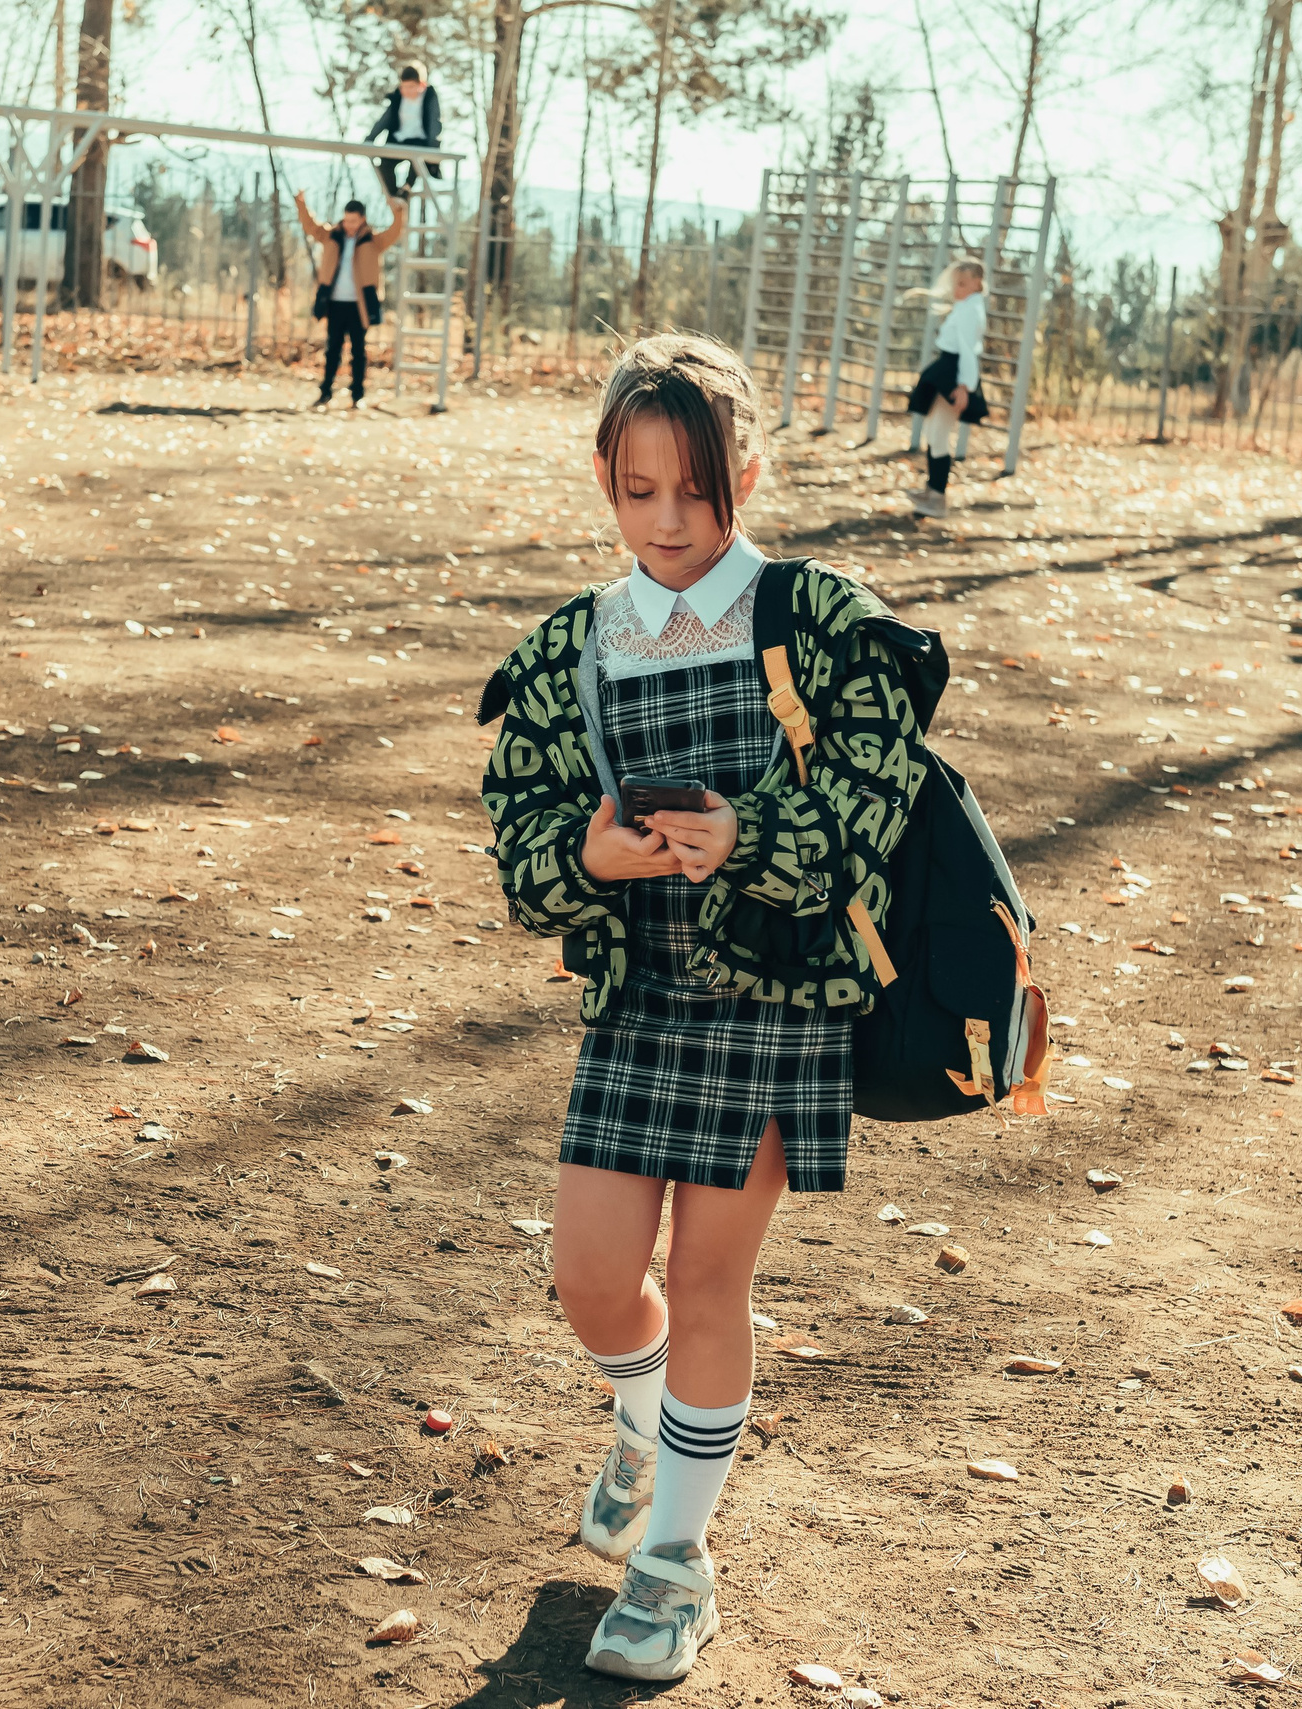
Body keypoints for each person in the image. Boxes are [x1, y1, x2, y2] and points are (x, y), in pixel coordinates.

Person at [476, 333, 934, 1682]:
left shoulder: (819, 619)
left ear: (751, 472)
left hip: (778, 1001)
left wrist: (751, 835)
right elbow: (524, 838)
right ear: (605, 485)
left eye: (697, 489)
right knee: (593, 1278)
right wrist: (588, 859)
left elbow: (873, 801)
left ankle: (676, 1562)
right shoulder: (577, 647)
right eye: (638, 492)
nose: (669, 522)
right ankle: (646, 1420)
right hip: (639, 1002)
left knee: (711, 1278)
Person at [293, 190, 408, 408]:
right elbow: (310, 226)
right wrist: (301, 205)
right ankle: (325, 392)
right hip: (335, 303)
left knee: (358, 351)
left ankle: (357, 395)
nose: (349, 225)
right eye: (346, 220)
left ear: (362, 219)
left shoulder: (373, 241)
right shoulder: (331, 235)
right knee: (332, 350)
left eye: (354, 221)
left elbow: (395, 231)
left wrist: (399, 210)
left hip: (360, 305)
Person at [906, 260, 990, 520]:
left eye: (963, 283)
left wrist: (964, 387)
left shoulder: (971, 311)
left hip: (953, 374)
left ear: (978, 283)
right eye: (956, 283)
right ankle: (931, 491)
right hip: (946, 368)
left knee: (939, 434)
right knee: (933, 432)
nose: (957, 288)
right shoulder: (965, 307)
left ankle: (937, 499)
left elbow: (968, 351)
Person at [366, 65, 442, 198]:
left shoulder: (429, 98)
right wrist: (370, 138)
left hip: (420, 142)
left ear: (421, 85)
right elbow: (385, 119)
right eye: (404, 87)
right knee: (385, 163)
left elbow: (434, 123)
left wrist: (433, 149)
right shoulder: (398, 99)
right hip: (398, 140)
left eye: (411, 87)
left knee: (417, 161)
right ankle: (395, 195)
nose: (407, 91)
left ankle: (407, 187)